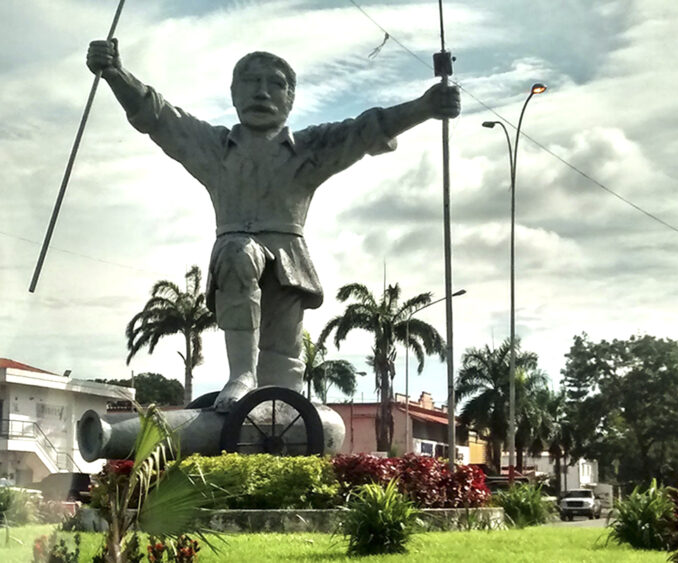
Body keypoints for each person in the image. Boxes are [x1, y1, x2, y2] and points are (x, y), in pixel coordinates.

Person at [87, 39, 460, 412]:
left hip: (290, 265)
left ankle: (286, 426)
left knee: (283, 372)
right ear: (234, 94)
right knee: (238, 251)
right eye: (250, 82)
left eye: (275, 83)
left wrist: (425, 107)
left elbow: (365, 129)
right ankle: (240, 376)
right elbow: (158, 116)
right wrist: (116, 74)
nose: (262, 92)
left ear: (291, 97)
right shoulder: (215, 148)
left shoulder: (309, 148)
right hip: (236, 254)